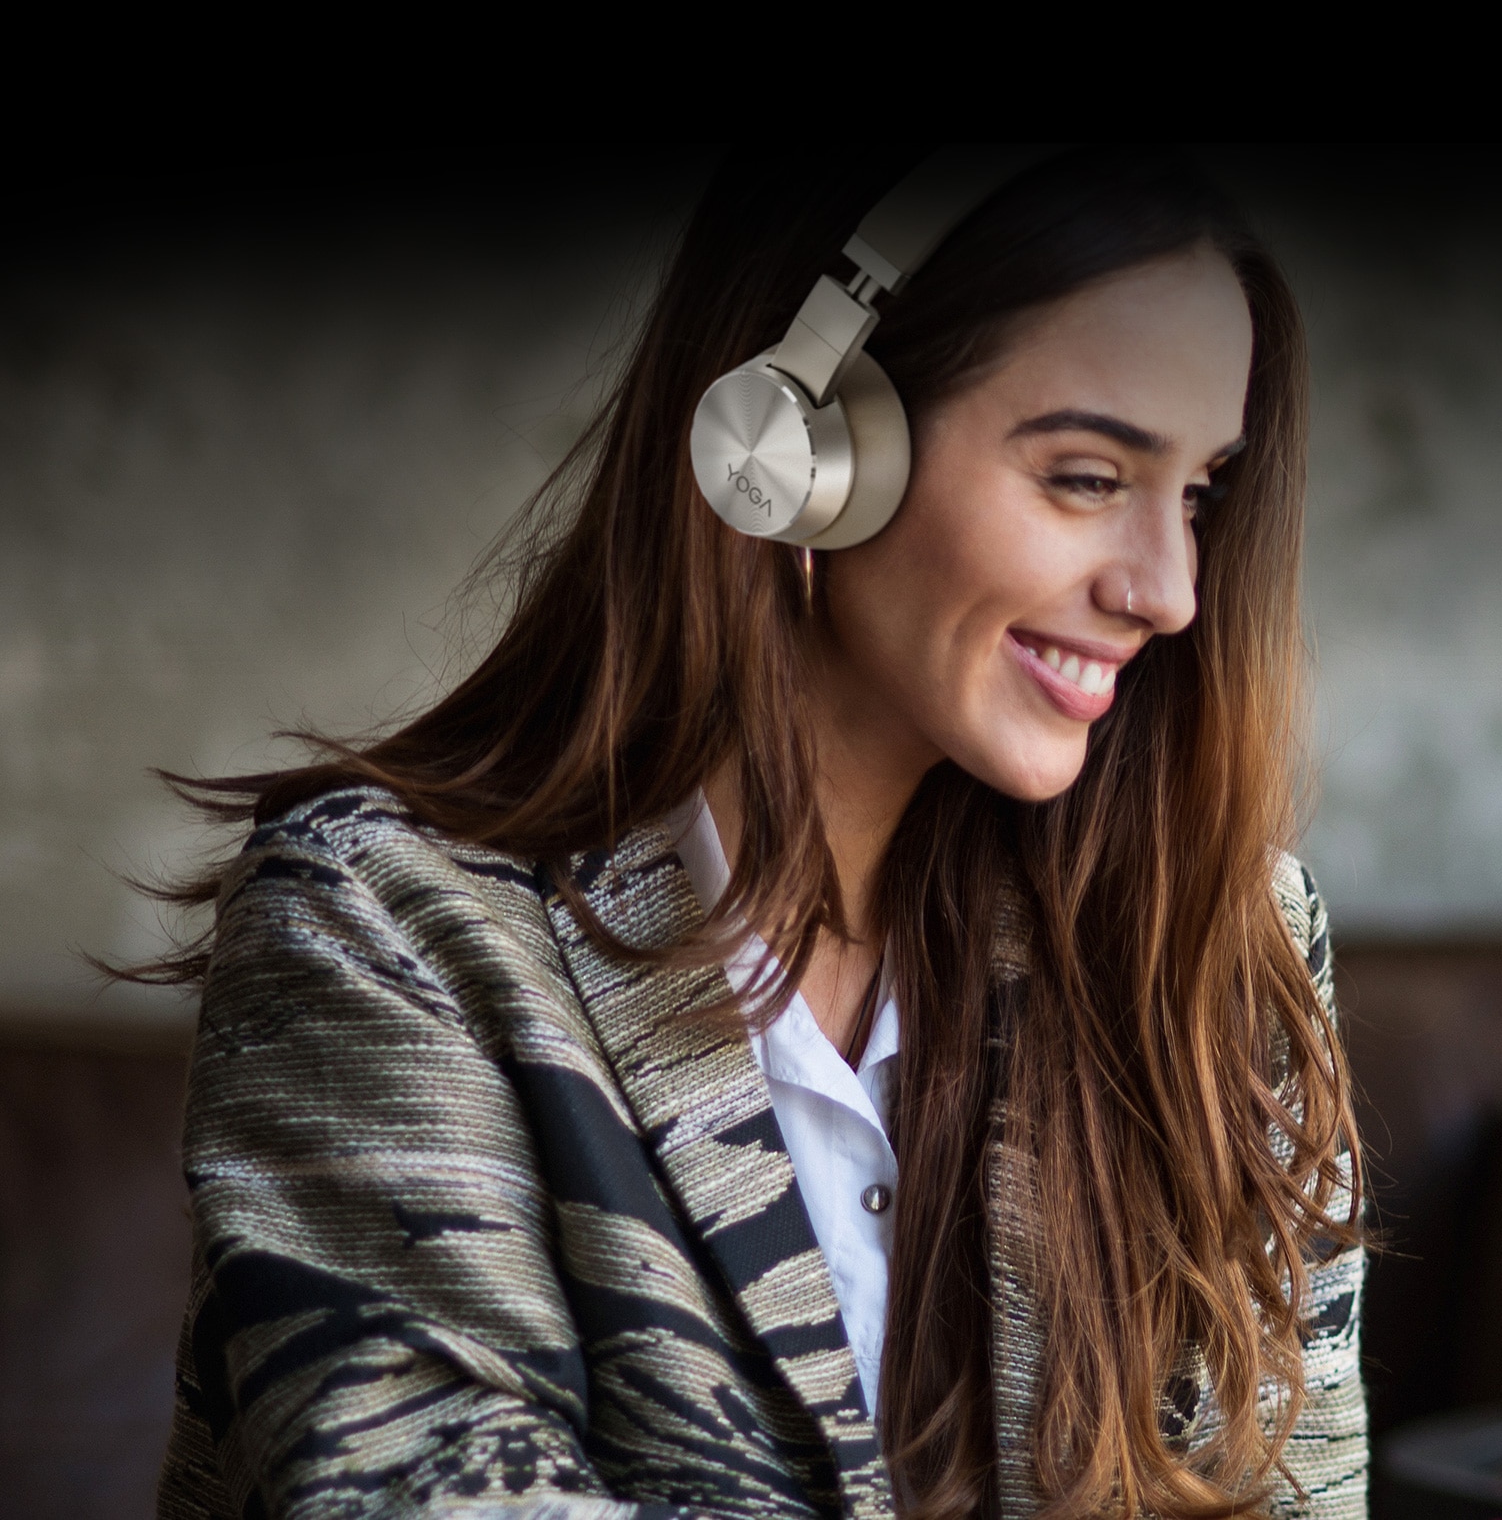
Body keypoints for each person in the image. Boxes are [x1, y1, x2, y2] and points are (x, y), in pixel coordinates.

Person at [134, 147, 1365, 1520]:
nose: (1170, 590)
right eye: (1085, 476)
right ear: (801, 448)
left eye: (1197, 494)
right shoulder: (378, 929)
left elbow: (1294, 1492)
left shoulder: (1217, 932)